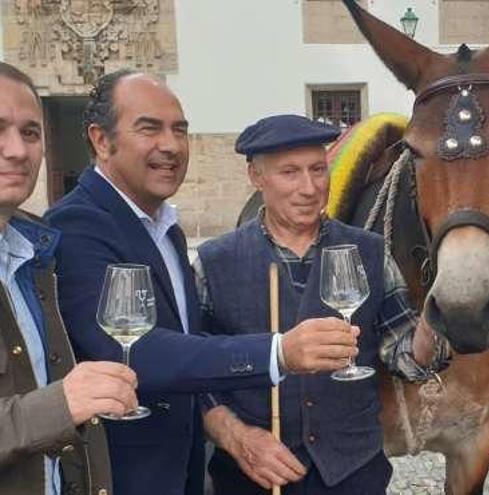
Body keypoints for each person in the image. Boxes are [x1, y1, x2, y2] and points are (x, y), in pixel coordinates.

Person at [44, 71, 354, 495]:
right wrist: (278, 351)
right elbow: (131, 351)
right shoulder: (76, 224)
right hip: (125, 478)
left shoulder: (164, 227)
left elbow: (191, 341)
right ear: (101, 140)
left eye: (180, 130)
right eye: (149, 128)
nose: (170, 145)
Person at [195, 114, 450, 494]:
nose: (309, 187)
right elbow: (194, 374)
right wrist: (237, 437)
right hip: (253, 474)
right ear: (256, 177)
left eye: (318, 169)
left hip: (354, 472)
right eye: (289, 172)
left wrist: (433, 326)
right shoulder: (213, 262)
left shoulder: (369, 251)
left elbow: (404, 353)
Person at [0, 61, 139, 495]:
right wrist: (60, 405)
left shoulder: (35, 258)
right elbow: (57, 405)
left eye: (30, 132)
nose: (18, 151)